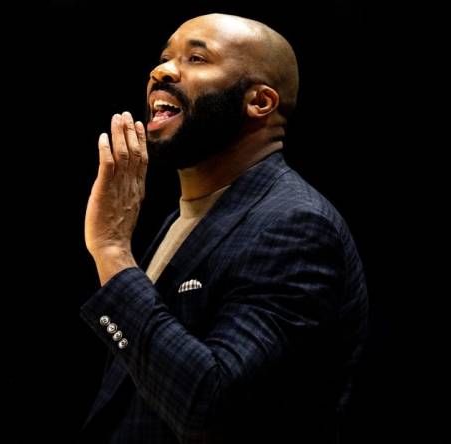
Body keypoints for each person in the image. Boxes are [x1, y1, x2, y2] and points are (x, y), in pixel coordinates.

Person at [81, 13, 367, 443]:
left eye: (196, 58)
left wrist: (112, 251)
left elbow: (209, 405)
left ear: (260, 102)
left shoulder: (294, 225)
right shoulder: (185, 218)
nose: (161, 71)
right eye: (164, 58)